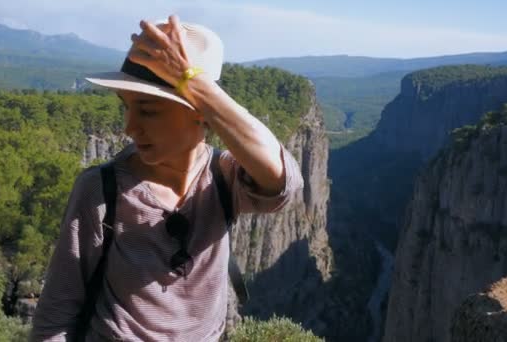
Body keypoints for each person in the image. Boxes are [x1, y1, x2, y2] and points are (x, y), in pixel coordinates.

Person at [30, 15, 304, 341]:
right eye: (126, 107)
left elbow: (284, 183)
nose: (129, 127)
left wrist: (194, 82)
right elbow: (55, 316)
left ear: (200, 110)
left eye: (148, 110)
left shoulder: (224, 177)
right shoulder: (100, 190)